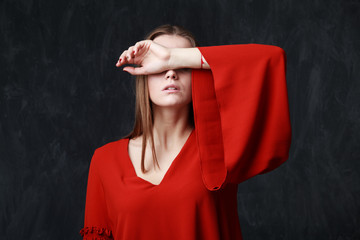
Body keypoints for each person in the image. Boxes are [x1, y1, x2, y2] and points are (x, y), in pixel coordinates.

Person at [80, 24, 291, 240]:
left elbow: (272, 57)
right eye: (159, 66)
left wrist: (172, 56)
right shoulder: (105, 160)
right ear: (144, 77)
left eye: (182, 66)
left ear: (198, 75)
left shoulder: (223, 148)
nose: (171, 73)